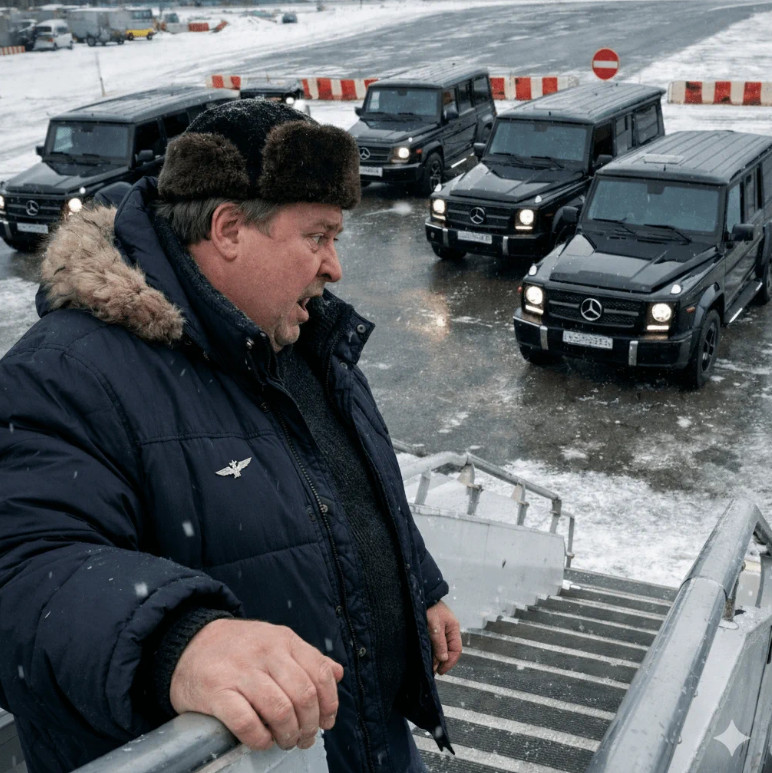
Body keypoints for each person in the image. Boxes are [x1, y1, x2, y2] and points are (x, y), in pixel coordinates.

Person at [0, 100, 462, 773]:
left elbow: (355, 483)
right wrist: (177, 641)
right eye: (318, 236)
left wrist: (418, 584)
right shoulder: (67, 372)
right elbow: (23, 568)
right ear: (228, 229)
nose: (335, 266)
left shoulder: (301, 337)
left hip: (369, 737)